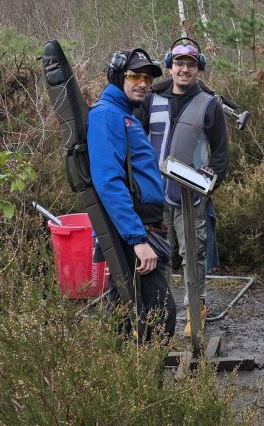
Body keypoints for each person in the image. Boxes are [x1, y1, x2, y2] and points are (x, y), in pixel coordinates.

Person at [87, 48, 175, 340]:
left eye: (147, 79)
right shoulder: (107, 115)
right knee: (161, 313)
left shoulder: (125, 114)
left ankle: (123, 366)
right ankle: (145, 370)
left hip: (141, 225)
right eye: (135, 76)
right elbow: (109, 182)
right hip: (133, 231)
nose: (142, 83)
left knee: (125, 312)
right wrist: (137, 240)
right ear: (117, 76)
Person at [145, 40, 229, 337]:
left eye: (190, 64)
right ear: (170, 65)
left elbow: (221, 154)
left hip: (190, 198)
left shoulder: (209, 104)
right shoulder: (150, 99)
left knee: (193, 254)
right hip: (154, 197)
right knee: (157, 256)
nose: (184, 69)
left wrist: (207, 186)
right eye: (179, 63)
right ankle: (157, 312)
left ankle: (196, 309)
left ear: (198, 68)